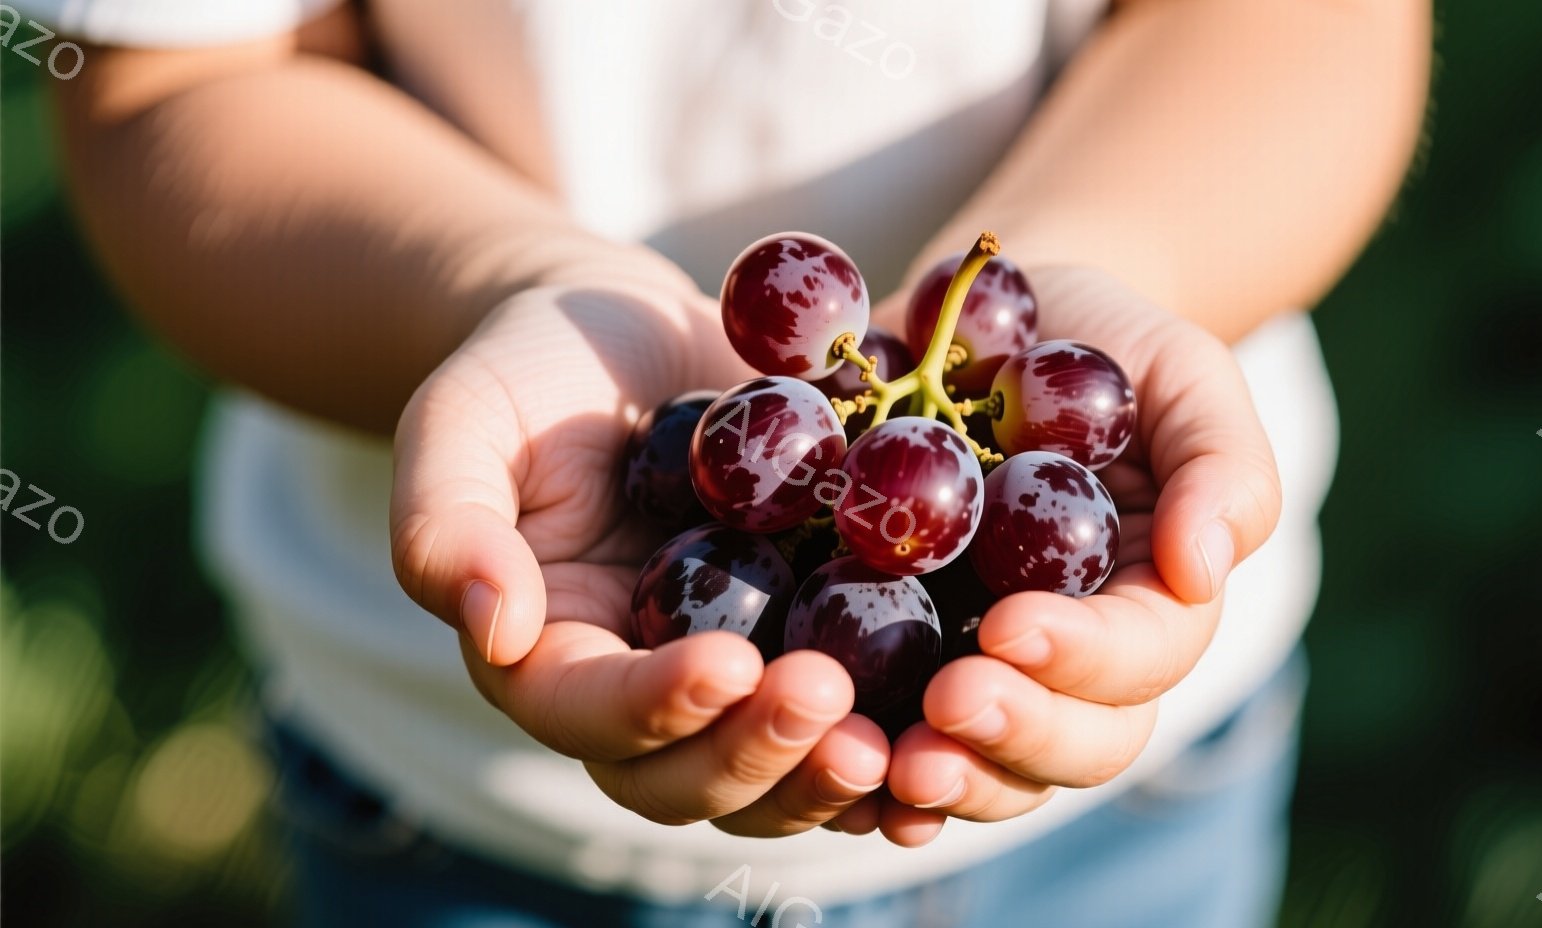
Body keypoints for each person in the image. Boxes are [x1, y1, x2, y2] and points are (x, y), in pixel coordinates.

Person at [32, 0, 1429, 924]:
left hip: (1129, 810)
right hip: (447, 799)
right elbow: (176, 84)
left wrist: (1106, 267)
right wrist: (512, 290)